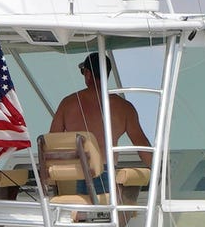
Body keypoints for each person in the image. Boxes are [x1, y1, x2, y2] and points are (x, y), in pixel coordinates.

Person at [45, 52, 148, 196]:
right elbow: (142, 146)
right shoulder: (124, 107)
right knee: (120, 208)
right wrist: (159, 173)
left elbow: (51, 146)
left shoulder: (68, 104)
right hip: (105, 172)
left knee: (84, 215)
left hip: (73, 175)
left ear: (87, 73)